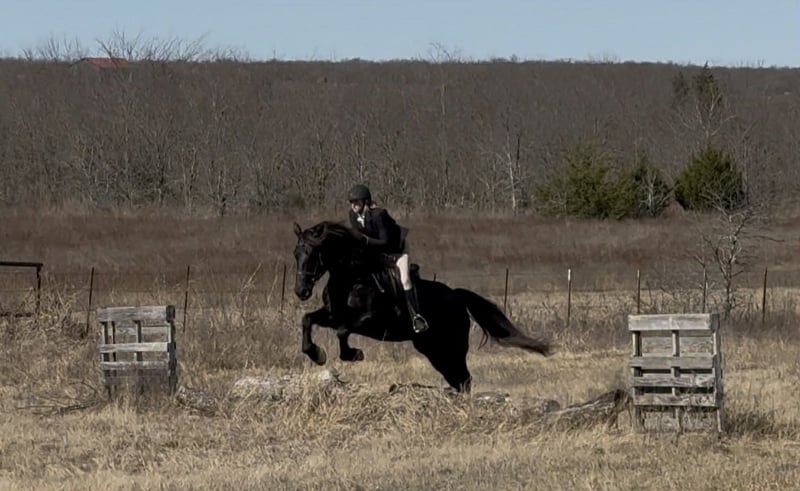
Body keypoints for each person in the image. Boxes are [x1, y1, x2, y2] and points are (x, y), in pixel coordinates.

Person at [346, 184, 429, 333]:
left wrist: (365, 241)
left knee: (404, 279)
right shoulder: (353, 215)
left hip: (396, 250)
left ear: (365, 202)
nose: (353, 205)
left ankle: (417, 317)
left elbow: (385, 242)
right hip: (376, 251)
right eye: (351, 202)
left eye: (356, 202)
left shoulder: (379, 215)